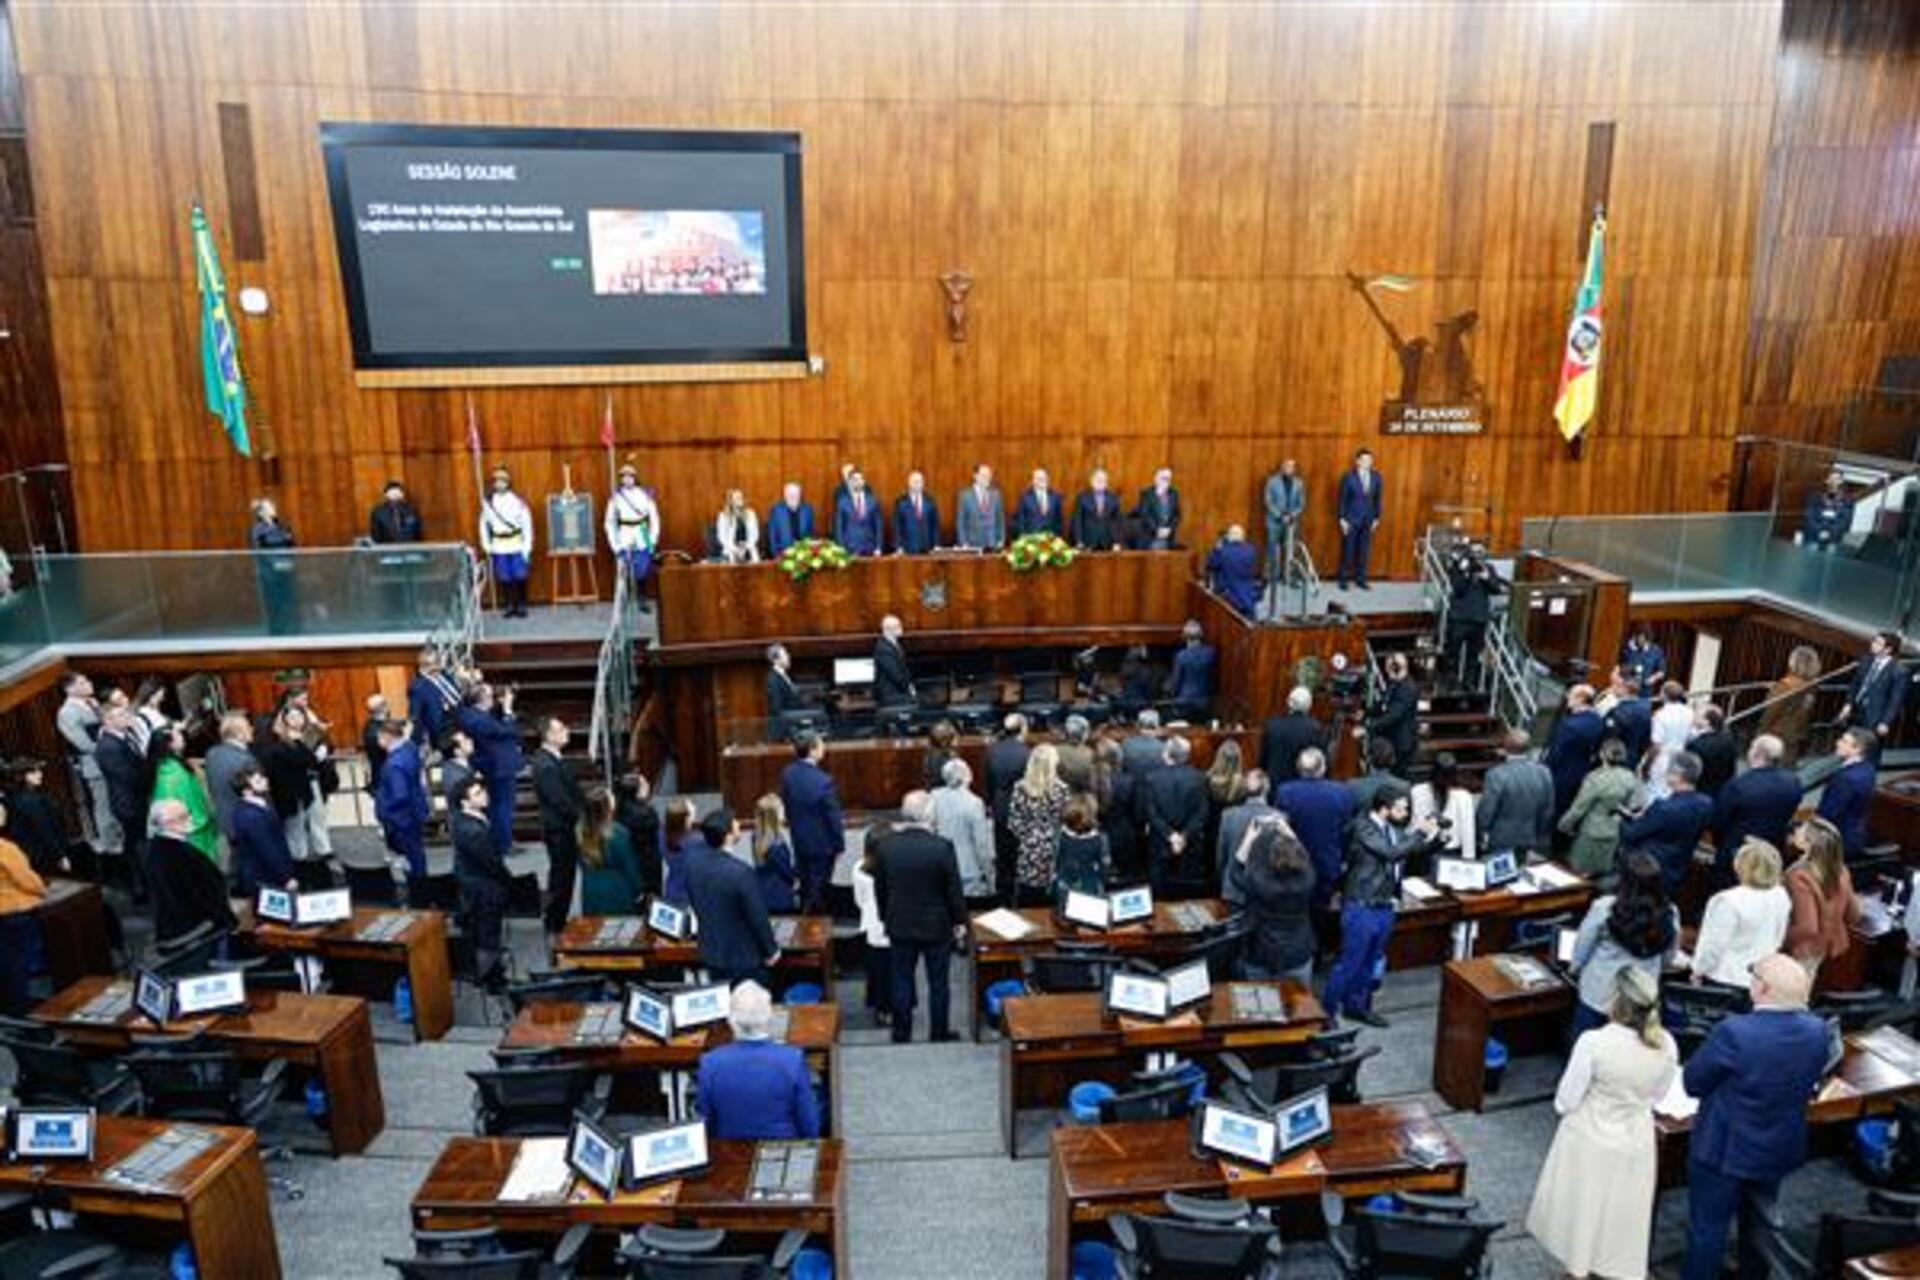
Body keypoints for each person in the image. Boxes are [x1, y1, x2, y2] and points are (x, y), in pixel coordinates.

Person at [1681, 954, 1832, 1280]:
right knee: (1759, 1227)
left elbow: (1693, 1082)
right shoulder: (1819, 1031)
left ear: (1762, 989)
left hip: (1724, 1149)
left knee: (1708, 1229)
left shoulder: (1734, 1032)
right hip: (1777, 1146)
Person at [1525, 967, 1677, 1280]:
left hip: (1589, 1137)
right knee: (1617, 1216)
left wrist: (1566, 1109)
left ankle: (1576, 1272)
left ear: (1616, 1001)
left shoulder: (1594, 1042)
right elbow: (1660, 1095)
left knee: (1583, 1211)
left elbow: (1567, 1098)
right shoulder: (1667, 1045)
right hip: (1635, 1139)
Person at [1325, 784, 1440, 1027]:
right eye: (1402, 808)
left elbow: (1409, 848)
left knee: (1371, 963)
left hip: (1383, 906)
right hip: (1361, 907)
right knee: (1349, 965)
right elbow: (1390, 853)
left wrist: (1434, 838)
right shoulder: (1363, 827)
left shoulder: (1391, 829)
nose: (1407, 813)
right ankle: (1326, 1014)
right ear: (1385, 809)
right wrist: (1419, 833)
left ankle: (1358, 1007)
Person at [873, 791, 966, 1042]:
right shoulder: (942, 847)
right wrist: (959, 922)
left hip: (899, 923)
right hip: (937, 926)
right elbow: (953, 890)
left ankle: (901, 1033)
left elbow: (879, 889)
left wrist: (885, 917)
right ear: (929, 814)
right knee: (939, 983)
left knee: (901, 981)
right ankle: (939, 1032)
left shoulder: (886, 846)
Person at [1568, 852, 1680, 1036]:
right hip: (1641, 993)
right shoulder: (1669, 912)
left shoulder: (1604, 907)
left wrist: (1575, 968)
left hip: (1599, 991)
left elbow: (1583, 944)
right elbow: (1669, 956)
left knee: (1585, 1044)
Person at [695, 981, 820, 1139]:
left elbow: (707, 1122)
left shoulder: (710, 1062)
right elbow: (809, 1125)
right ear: (769, 1017)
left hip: (729, 1150)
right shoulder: (793, 1059)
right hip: (781, 1148)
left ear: (730, 1020)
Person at [686, 806, 780, 986]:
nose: (738, 824)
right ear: (728, 835)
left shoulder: (693, 865)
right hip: (744, 959)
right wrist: (771, 950)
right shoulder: (741, 873)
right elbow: (757, 917)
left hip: (712, 953)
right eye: (735, 824)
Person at [1692, 840, 1790, 990]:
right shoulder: (1781, 895)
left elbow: (1712, 947)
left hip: (1725, 979)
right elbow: (1778, 939)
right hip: (1762, 980)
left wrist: (1697, 970)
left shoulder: (1727, 900)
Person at [1710, 734, 1801, 885]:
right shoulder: (1793, 782)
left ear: (1756, 753)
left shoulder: (1738, 785)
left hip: (1738, 852)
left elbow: (1718, 821)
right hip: (1773, 849)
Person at [1275, 747, 1355, 916]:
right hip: (1329, 865)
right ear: (1323, 768)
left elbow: (1280, 832)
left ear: (1298, 768)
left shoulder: (1285, 792)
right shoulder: (1343, 793)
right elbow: (1347, 833)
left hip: (1294, 867)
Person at [1234, 820, 1316, 985]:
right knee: (1298, 1006)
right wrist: (1287, 830)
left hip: (1261, 954)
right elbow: (1306, 859)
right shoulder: (1308, 881)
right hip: (1297, 954)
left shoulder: (1260, 884)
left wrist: (1250, 837)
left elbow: (1235, 870)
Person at [1620, 751, 1713, 894]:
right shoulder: (1706, 803)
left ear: (1677, 776)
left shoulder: (1663, 809)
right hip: (1678, 869)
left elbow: (1630, 835)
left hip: (1647, 871)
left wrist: (1621, 819)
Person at [146, 798, 235, 946]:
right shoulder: (176, 854)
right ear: (167, 824)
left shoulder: (160, 847)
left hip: (184, 927)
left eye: (188, 814)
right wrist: (224, 920)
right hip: (196, 932)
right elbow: (196, 895)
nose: (191, 819)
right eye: (183, 817)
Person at [451, 777, 511, 991]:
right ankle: (492, 980)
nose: (484, 794)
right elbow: (491, 864)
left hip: (472, 883)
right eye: (477, 793)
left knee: (482, 933)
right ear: (465, 802)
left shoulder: (465, 819)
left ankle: (486, 974)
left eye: (482, 790)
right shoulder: (473, 831)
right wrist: (507, 879)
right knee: (488, 936)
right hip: (483, 888)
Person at [1783, 817, 1859, 979]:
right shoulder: (1842, 870)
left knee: (1789, 996)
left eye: (1801, 831)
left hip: (1799, 949)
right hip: (1824, 947)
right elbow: (1854, 915)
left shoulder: (1798, 875)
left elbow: (1808, 926)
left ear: (1809, 844)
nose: (1796, 830)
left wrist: (1779, 939)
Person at [530, 716, 585, 933]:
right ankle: (555, 924)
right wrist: (584, 818)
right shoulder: (545, 765)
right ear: (549, 735)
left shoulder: (552, 759)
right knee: (562, 878)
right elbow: (560, 801)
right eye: (561, 728)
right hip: (560, 830)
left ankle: (557, 921)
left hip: (564, 827)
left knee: (564, 876)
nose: (567, 731)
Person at [779, 733, 845, 911]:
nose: (824, 748)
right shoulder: (824, 781)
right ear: (813, 751)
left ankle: (805, 919)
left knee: (806, 885)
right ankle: (813, 927)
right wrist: (839, 845)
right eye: (821, 745)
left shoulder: (788, 773)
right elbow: (833, 818)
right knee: (818, 891)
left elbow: (786, 803)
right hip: (822, 846)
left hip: (799, 840)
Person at [1558, 738, 1640, 878]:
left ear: (1602, 755)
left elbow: (1579, 808)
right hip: (1613, 830)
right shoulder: (1630, 777)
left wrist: (1564, 826)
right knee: (1602, 874)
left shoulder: (1595, 779)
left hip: (1591, 832)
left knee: (1579, 874)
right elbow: (1633, 805)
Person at [56, 672, 119, 857]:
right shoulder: (66, 712)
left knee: (116, 801)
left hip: (109, 759)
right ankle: (110, 845)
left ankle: (119, 836)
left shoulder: (91, 703)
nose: (89, 683)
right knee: (104, 805)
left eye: (87, 680)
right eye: (83, 682)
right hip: (95, 764)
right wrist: (109, 747)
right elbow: (84, 743)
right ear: (70, 689)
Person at [456, 682, 522, 858]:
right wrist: (508, 710)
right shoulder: (480, 719)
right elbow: (508, 731)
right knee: (503, 807)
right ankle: (504, 844)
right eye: (491, 696)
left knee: (497, 805)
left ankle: (501, 840)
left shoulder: (469, 714)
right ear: (483, 699)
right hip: (498, 766)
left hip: (491, 764)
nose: (494, 698)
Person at [1142, 736, 1208, 897]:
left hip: (1160, 842)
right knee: (1187, 892)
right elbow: (1202, 813)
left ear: (1167, 754)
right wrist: (1183, 836)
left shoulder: (1152, 778)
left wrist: (1170, 836)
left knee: (1158, 891)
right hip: (1189, 843)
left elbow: (1151, 813)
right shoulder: (1200, 777)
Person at [260, 705, 324, 871]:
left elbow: (311, 761)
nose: (297, 719)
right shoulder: (281, 741)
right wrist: (311, 753)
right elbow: (303, 760)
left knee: (304, 825)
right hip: (288, 793)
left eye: (300, 716)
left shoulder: (304, 737)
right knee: (294, 831)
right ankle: (297, 864)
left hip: (302, 789)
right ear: (284, 720)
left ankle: (302, 860)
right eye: (292, 716)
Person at [1476, 729, 1555, 857]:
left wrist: (1481, 831)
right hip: (1531, 836)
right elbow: (1548, 809)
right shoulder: (1544, 772)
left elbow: (1487, 811)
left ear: (1505, 748)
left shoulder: (1496, 774)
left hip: (1501, 839)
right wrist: (1541, 834)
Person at [0, 800, 47, 1014]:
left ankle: (12, 1005)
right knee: (19, 962)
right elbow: (26, 879)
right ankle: (21, 1006)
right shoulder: (6, 849)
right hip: (15, 911)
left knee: (7, 962)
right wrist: (41, 891)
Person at [374, 718, 430, 899]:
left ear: (386, 737)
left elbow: (399, 795)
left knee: (410, 858)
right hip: (415, 810)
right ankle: (421, 889)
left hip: (402, 818)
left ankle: (419, 894)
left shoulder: (394, 764)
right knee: (417, 853)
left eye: (379, 737)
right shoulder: (409, 748)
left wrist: (383, 812)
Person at [147, 726, 218, 867]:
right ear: (170, 744)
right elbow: (194, 809)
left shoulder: (164, 766)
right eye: (178, 735)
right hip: (193, 835)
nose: (182, 737)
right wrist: (206, 819)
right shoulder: (175, 776)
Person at [1009, 744, 1070, 905]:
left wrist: (1029, 837)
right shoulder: (1062, 790)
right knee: (1052, 900)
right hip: (1054, 847)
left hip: (1029, 848)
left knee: (1028, 899)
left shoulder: (1020, 787)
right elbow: (1066, 822)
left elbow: (1014, 822)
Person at [929, 758, 994, 899]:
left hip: (940, 866)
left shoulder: (934, 796)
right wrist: (989, 875)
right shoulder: (974, 802)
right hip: (968, 870)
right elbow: (981, 843)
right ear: (968, 776)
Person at [229, 763, 294, 901]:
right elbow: (268, 850)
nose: (265, 781)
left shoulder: (254, 805)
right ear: (246, 791)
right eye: (258, 781)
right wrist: (286, 878)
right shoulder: (252, 817)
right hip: (266, 876)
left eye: (263, 778)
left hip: (265, 874)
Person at [1442, 540, 1501, 686]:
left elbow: (1496, 589)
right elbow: (1458, 589)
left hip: (1479, 620)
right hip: (1460, 618)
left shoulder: (1489, 568)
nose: (1478, 556)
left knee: (1473, 655)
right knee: (1452, 652)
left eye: (1481, 552)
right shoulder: (1458, 567)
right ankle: (1451, 680)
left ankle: (1469, 682)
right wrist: (1465, 572)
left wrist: (1486, 577)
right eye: (1475, 552)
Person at [478, 467, 534, 618]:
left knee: (520, 575)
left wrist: (527, 546)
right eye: (497, 481)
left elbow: (526, 525)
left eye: (503, 481)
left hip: (516, 544)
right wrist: (486, 545)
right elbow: (483, 525)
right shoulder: (489, 503)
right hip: (499, 545)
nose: (499, 484)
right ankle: (509, 604)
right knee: (504, 577)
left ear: (508, 483)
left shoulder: (517, 501)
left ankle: (521, 604)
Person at [578, 786, 643, 915]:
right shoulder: (618, 833)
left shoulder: (579, 832)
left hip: (590, 887)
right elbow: (629, 867)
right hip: (616, 888)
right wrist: (638, 889)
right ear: (608, 808)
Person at [985, 714, 1031, 894]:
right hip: (1020, 805)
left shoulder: (992, 750)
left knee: (1001, 848)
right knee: (1018, 847)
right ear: (1022, 729)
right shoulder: (1026, 752)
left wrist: (989, 803)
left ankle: (1002, 889)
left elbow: (988, 781)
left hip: (999, 804)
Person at [1545, 684, 1605, 819]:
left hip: (1561, 776)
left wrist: (1545, 772)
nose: (1567, 697)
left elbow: (1555, 755)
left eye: (1571, 694)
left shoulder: (1569, 725)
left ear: (1581, 699)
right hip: (1583, 772)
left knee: (1555, 811)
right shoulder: (1599, 721)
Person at [1816, 726, 1876, 859]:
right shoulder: (1868, 769)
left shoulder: (1845, 778)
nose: (1837, 743)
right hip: (1854, 834)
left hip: (1836, 841)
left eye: (1843, 741)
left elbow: (1828, 814)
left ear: (1857, 749)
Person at [851, 833, 892, 1025]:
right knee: (896, 969)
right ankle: (895, 1006)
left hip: (873, 927)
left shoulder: (859, 868)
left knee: (877, 970)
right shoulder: (897, 867)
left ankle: (880, 1008)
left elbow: (858, 900)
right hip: (894, 924)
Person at [1216, 769, 1276, 895]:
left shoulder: (1229, 815)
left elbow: (1221, 855)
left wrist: (1222, 878)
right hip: (1265, 892)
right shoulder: (1280, 818)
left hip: (1233, 889)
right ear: (1267, 789)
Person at [1842, 631, 1907, 749]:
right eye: (1874, 641)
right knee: (1850, 746)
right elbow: (1855, 684)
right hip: (1856, 710)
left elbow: (1895, 700)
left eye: (1878, 643)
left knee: (1870, 750)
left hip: (1875, 717)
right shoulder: (1866, 660)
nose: (1873, 644)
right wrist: (1848, 703)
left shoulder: (1898, 671)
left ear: (1888, 650)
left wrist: (1885, 722)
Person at [1758, 645, 1821, 764]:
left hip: (1776, 735)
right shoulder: (1813, 686)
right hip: (1795, 736)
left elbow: (1770, 713)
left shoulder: (1785, 686)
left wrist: (1761, 731)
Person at [606, 462, 663, 593]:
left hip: (642, 532)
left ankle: (642, 597)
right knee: (625, 567)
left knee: (643, 566)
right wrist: (615, 544)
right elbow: (610, 522)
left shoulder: (645, 495)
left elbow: (654, 518)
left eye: (630, 475)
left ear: (635, 477)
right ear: (620, 479)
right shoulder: (616, 498)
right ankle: (628, 597)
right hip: (625, 533)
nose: (627, 479)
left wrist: (653, 538)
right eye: (624, 476)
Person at [4, 761, 68, 878]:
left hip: (35, 855)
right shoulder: (29, 801)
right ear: (21, 776)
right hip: (42, 856)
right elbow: (44, 829)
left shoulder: (19, 796)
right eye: (33, 772)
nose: (39, 774)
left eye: (39, 770)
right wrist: (60, 855)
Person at [248, 496, 300, 633]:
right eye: (269, 507)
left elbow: (292, 545)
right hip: (270, 572)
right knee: (274, 602)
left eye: (272, 506)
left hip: (287, 568)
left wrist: (290, 560)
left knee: (288, 600)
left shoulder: (282, 526)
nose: (273, 508)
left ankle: (292, 628)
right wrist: (275, 564)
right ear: (261, 512)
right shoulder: (257, 529)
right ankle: (277, 630)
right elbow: (259, 550)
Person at [1094, 738, 1141, 883]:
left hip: (1099, 835)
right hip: (1126, 835)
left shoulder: (1091, 780)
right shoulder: (1129, 781)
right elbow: (1138, 813)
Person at [1335, 448, 1382, 591]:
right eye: (1364, 460)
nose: (1367, 462)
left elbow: (1377, 500)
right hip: (1351, 519)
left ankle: (1360, 579)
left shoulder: (1376, 477)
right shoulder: (1348, 477)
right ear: (1357, 461)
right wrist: (1342, 519)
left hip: (1368, 520)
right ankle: (1343, 580)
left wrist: (1376, 518)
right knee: (1348, 551)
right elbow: (1342, 499)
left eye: (1370, 460)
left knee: (1364, 551)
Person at [1411, 754, 1475, 859]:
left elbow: (1414, 826)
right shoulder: (1463, 796)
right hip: (1430, 852)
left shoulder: (1417, 791)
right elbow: (1468, 833)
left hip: (1435, 852)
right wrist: (1469, 859)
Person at [1259, 687, 1325, 788]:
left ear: (1289, 702)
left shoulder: (1272, 726)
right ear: (1309, 706)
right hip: (1302, 788)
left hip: (1274, 786)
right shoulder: (1314, 729)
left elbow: (1263, 760)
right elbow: (1320, 762)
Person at [1364, 652, 1418, 774]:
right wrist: (1365, 713)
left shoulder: (1407, 689)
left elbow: (1393, 716)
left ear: (1396, 668)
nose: (1386, 672)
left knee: (1396, 778)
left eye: (1388, 669)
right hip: (1391, 738)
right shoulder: (1394, 682)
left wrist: (1368, 726)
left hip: (1401, 744)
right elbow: (1383, 704)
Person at [613, 771, 663, 897]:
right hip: (646, 866)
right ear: (638, 790)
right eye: (645, 784)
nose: (648, 786)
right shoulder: (646, 813)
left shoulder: (617, 810)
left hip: (626, 864)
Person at [1053, 793, 1111, 899]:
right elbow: (1105, 867)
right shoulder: (1101, 839)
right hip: (1091, 889)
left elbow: (1055, 862)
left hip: (1064, 887)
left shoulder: (1059, 835)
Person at [1645, 682, 1695, 801]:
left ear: (1664, 695)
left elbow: (1656, 745)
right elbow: (1691, 736)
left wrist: (1647, 764)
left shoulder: (1661, 715)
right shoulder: (1689, 712)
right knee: (1673, 791)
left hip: (1662, 758)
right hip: (1680, 756)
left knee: (1655, 791)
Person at [750, 793, 798, 914]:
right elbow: (786, 872)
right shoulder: (776, 844)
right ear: (774, 815)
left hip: (762, 895)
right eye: (781, 809)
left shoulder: (757, 837)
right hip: (780, 898)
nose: (784, 811)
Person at [407, 647, 462, 748]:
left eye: (438, 661)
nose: (439, 666)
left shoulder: (445, 675)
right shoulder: (418, 687)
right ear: (424, 666)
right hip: (445, 733)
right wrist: (417, 742)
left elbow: (457, 694)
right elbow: (415, 716)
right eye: (435, 663)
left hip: (462, 721)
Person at [1263, 458, 1305, 586]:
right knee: (1272, 549)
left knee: (1290, 550)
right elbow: (1268, 501)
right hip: (1274, 521)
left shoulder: (1299, 483)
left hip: (1291, 523)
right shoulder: (1272, 481)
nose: (1289, 468)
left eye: (1292, 466)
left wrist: (1291, 515)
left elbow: (1302, 503)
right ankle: (1270, 577)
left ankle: (1289, 577)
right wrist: (1280, 515)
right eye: (1287, 466)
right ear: (1282, 467)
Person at [1205, 525, 1260, 618]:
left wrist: (1215, 549)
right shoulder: (1251, 550)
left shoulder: (1222, 551)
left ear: (1229, 537)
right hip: (1248, 595)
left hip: (1227, 595)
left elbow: (1210, 565)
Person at [1603, 667, 1653, 765]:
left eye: (1614, 685)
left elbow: (1608, 739)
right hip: (1633, 760)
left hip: (1615, 761)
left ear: (1623, 687)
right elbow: (1645, 741)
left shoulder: (1617, 712)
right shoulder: (1645, 710)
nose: (1612, 688)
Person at [1686, 705, 1737, 799]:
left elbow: (1689, 775)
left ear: (1706, 722)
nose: (1693, 717)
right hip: (1721, 788)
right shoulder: (1729, 737)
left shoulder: (1696, 746)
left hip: (1700, 791)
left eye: (1697, 715)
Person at [1166, 619, 1216, 713]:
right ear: (1201, 635)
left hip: (1184, 702)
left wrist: (1170, 694)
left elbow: (1176, 682)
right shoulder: (1211, 653)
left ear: (1185, 637)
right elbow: (1211, 679)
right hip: (1204, 703)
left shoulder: (1181, 656)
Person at [954, 463, 1006, 551]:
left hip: (992, 543)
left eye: (989, 475)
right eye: (984, 475)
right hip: (972, 544)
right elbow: (961, 522)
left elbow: (1000, 519)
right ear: (975, 476)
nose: (987, 478)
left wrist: (1001, 539)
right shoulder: (965, 496)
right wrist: (963, 543)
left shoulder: (996, 495)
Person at [832, 467, 883, 556]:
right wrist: (840, 547)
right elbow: (839, 527)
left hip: (869, 547)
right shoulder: (842, 502)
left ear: (863, 482)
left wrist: (878, 546)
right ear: (850, 482)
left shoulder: (873, 500)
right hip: (849, 548)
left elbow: (878, 525)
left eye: (860, 479)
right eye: (854, 479)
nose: (858, 481)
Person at [1069, 469, 1122, 551]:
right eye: (1098, 479)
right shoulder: (1082, 498)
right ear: (1092, 482)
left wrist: (1117, 542)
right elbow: (1077, 520)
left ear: (1106, 482)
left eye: (1103, 480)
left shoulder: (1114, 498)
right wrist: (1078, 541)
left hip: (1108, 543)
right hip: (1088, 543)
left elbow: (1118, 522)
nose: (1100, 482)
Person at [660, 797, 699, 906]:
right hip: (691, 894)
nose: (695, 808)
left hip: (672, 889)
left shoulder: (661, 836)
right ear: (686, 818)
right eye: (692, 809)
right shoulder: (697, 842)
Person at [1802, 469, 1853, 550]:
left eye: (1837, 479)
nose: (1834, 481)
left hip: (1833, 539)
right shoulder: (1814, 496)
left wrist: (1829, 532)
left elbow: (1845, 521)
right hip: (1813, 536)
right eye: (1831, 478)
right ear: (1827, 480)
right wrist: (1820, 531)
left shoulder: (1847, 499)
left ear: (1841, 481)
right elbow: (1809, 516)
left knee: (1829, 562)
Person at [891, 470, 940, 554]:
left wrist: (936, 544)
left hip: (927, 548)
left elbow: (935, 525)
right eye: (915, 481)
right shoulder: (901, 502)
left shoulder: (930, 501)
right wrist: (898, 546)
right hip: (907, 549)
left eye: (920, 481)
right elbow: (897, 527)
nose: (917, 484)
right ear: (909, 483)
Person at [1134, 468, 1181, 549]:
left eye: (1168, 479)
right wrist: (1157, 530)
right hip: (1150, 537)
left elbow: (1177, 515)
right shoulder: (1147, 494)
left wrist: (1170, 529)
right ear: (1156, 479)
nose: (1166, 481)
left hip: (1168, 537)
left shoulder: (1173, 493)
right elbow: (1145, 515)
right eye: (1164, 478)